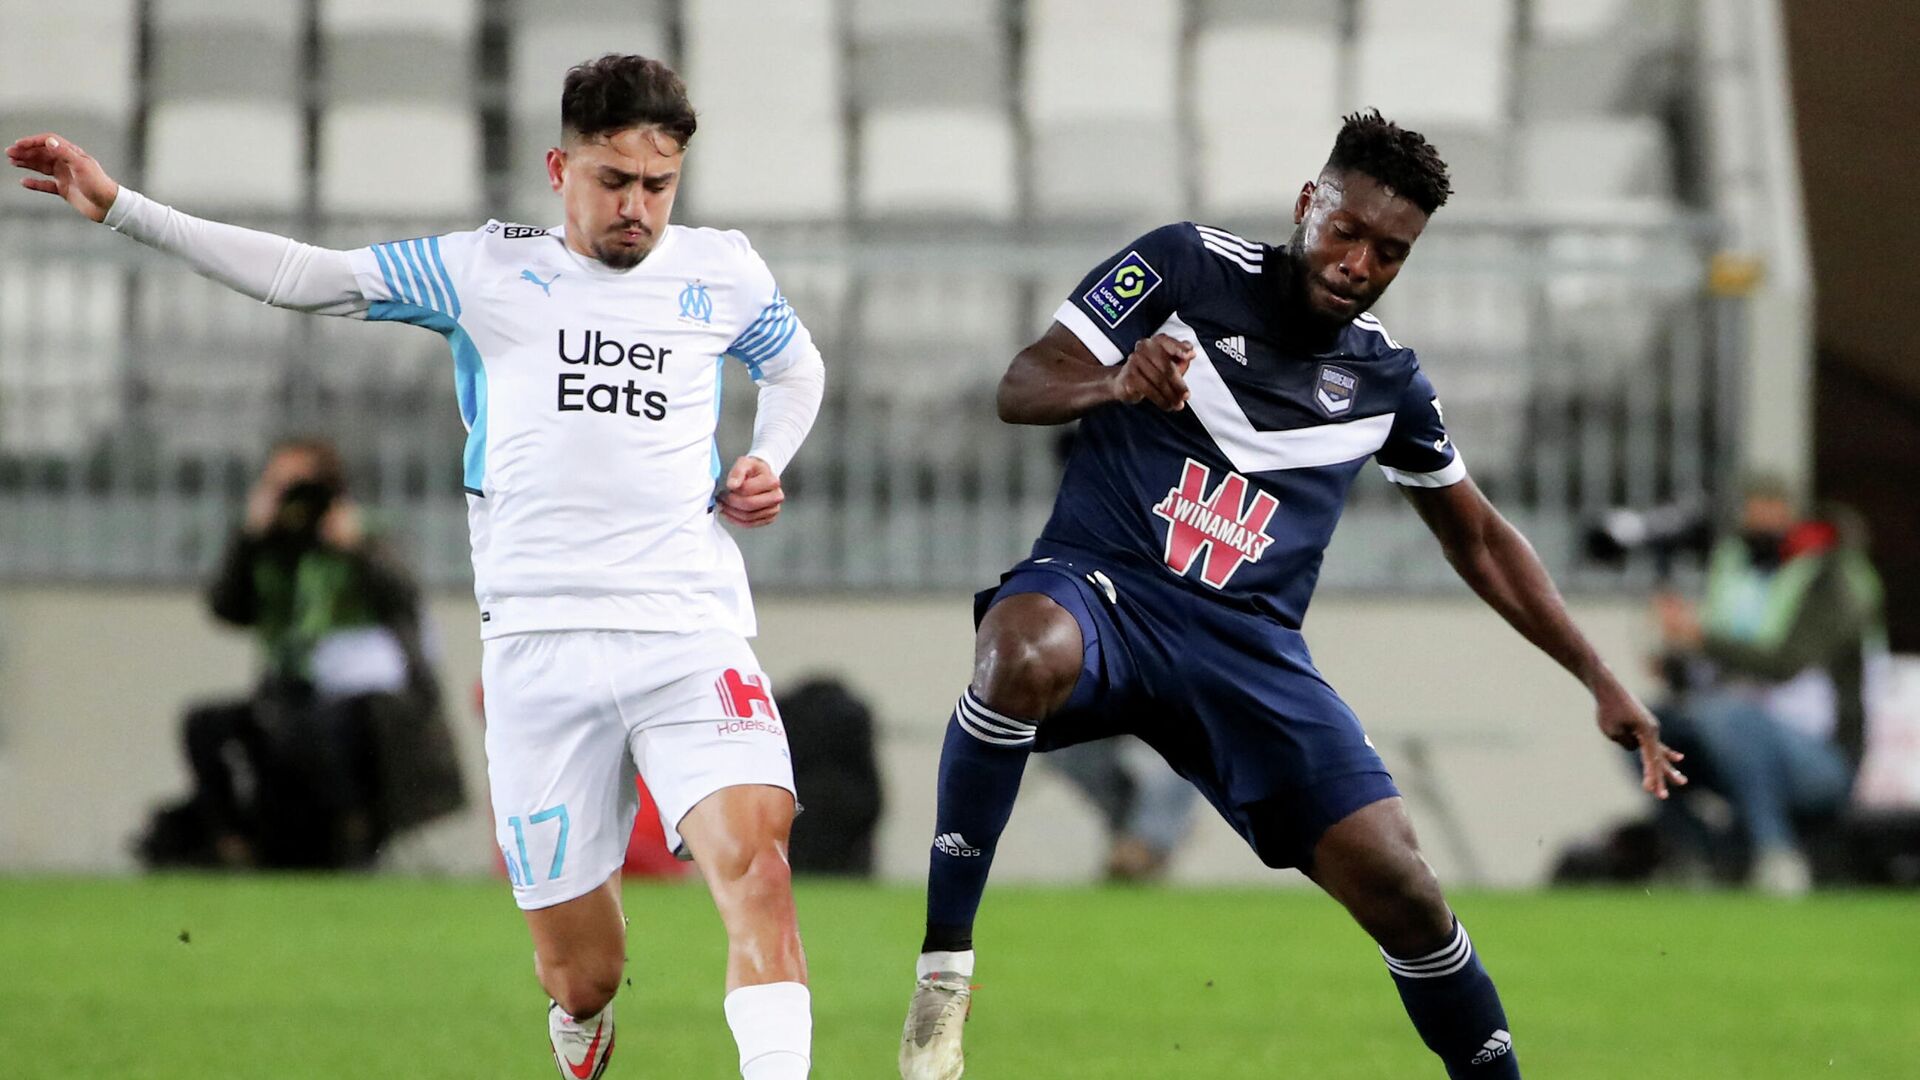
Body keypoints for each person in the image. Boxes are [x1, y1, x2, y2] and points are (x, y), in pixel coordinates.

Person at [12, 53, 826, 1079]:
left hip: (689, 630)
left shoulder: (722, 269)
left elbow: (796, 365)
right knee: (584, 972)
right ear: (558, 167)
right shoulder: (483, 271)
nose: (637, 208)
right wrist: (124, 208)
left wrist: (766, 458)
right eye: (613, 181)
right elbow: (311, 277)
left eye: (657, 186)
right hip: (538, 654)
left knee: (757, 869)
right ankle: (579, 1023)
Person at [897, 110, 1686, 1080]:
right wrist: (1115, 384)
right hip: (1107, 590)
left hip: (1244, 650)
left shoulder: (1387, 382)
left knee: (1404, 887)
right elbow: (1023, 384)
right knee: (1021, 650)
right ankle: (944, 973)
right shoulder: (1185, 265)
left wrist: (1600, 679)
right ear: (1307, 204)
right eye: (1347, 232)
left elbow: (1478, 537)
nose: (1360, 263)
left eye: (1390, 252)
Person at [143, 436, 462, 869]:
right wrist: (249, 538)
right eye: (279, 485)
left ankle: (351, 841)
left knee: (311, 729)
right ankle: (233, 843)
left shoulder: (365, 537)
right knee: (205, 724)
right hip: (284, 693)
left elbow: (403, 596)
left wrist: (355, 549)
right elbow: (227, 608)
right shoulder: (269, 546)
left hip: (363, 705)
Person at [1650, 482, 1884, 893]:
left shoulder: (1831, 580)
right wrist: (1678, 660)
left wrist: (1701, 637)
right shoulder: (1740, 575)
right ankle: (1701, 858)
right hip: (1744, 737)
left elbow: (1783, 664)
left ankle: (1776, 856)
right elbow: (1720, 674)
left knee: (1734, 715)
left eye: (1773, 513)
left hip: (1822, 756)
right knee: (1647, 728)